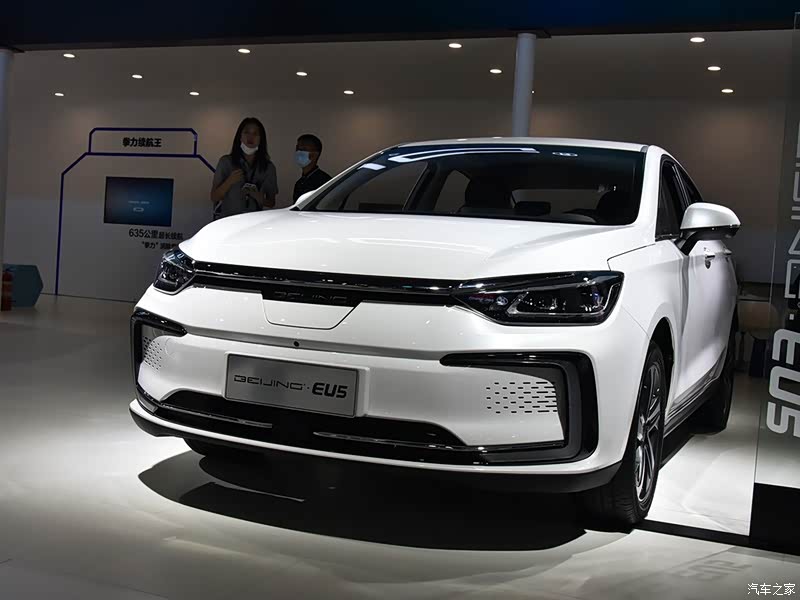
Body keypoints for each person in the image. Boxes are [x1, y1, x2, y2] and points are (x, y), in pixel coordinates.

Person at [211, 117, 278, 219]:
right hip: (229, 221)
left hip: (254, 222)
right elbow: (214, 197)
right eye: (246, 132)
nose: (250, 137)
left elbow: (271, 202)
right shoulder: (226, 162)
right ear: (240, 137)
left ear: (261, 139)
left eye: (255, 133)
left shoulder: (268, 167)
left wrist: (259, 197)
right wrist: (229, 181)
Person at [293, 134, 332, 202]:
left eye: (304, 149)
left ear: (315, 155)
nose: (298, 152)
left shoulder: (324, 182)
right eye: (297, 148)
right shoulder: (300, 183)